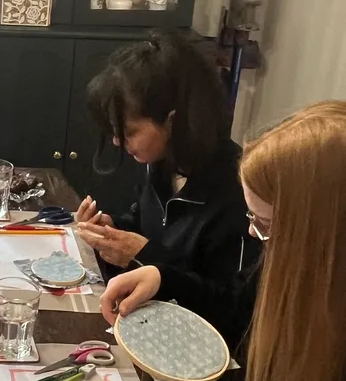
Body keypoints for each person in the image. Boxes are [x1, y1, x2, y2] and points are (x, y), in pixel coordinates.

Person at [100, 101, 346, 381]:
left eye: (265, 224)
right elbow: (236, 316)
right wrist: (164, 277)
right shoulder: (294, 273)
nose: (252, 235)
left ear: (322, 240)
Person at [75, 31, 260, 295]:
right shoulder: (163, 163)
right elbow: (148, 222)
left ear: (173, 120)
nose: (117, 142)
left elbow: (231, 307)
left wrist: (143, 255)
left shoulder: (238, 191)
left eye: (129, 132)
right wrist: (112, 228)